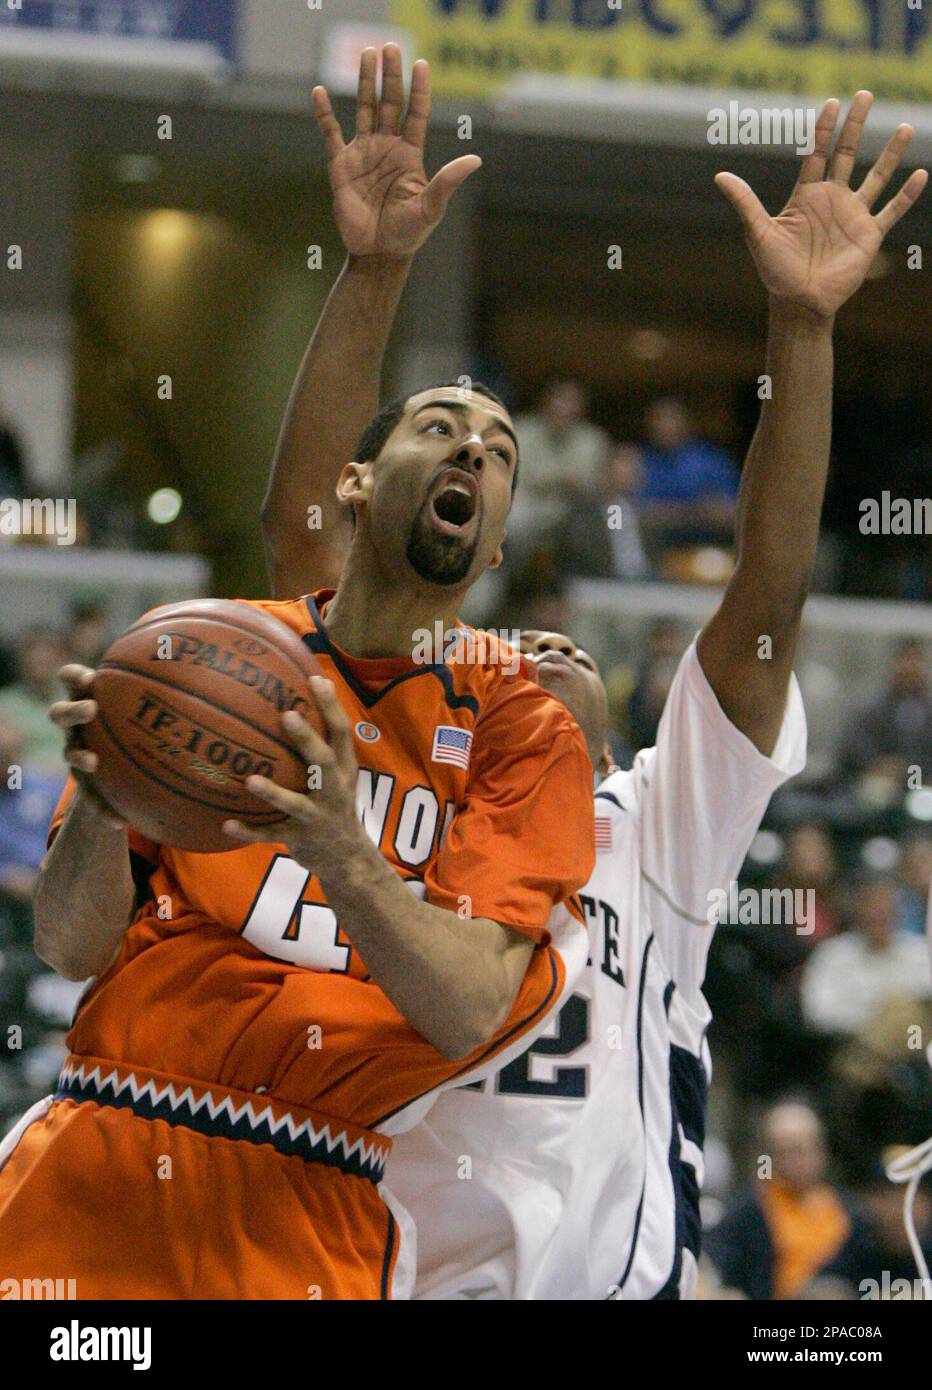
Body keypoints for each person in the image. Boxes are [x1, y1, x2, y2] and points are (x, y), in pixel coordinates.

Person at [261, 67, 926, 1297]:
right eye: (517, 663)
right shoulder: (410, 795)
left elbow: (762, 602)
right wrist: (370, 272)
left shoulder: (656, 825)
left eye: (568, 660)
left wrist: (803, 333)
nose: (542, 666)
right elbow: (313, 556)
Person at [0, 49, 595, 1300]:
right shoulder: (200, 659)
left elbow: (466, 1006)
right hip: (98, 1154)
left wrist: (344, 849)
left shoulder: (518, 721)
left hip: (310, 1198)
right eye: (440, 426)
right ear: (357, 480)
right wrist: (102, 806)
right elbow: (67, 943)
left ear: (494, 540)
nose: (474, 452)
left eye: (498, 454)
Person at [704, 1101, 853, 1300]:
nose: (799, 1160)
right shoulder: (751, 1210)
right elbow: (716, 1264)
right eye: (787, 1151)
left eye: (806, 1148)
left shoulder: (847, 1209)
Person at [801, 876, 932, 1038]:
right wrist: (877, 1017)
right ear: (859, 910)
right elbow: (817, 1013)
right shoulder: (832, 955)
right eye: (872, 908)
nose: (878, 915)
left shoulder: (920, 952)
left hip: (913, 1045)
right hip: (854, 1044)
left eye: (885, 910)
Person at [636, 395, 739, 553]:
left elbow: (731, 510)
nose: (664, 427)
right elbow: (632, 514)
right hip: (657, 548)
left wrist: (675, 513)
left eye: (670, 419)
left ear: (685, 423)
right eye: (658, 420)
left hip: (709, 546)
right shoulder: (640, 462)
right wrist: (690, 512)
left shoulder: (711, 460)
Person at [838, 637, 932, 792]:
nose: (910, 667)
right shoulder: (873, 709)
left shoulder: (928, 712)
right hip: (881, 783)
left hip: (921, 782)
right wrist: (879, 765)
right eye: (905, 660)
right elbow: (855, 747)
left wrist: (910, 769)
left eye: (916, 661)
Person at [0, 628, 70, 775]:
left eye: (46, 662)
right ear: (23, 664)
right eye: (36, 662)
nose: (41, 667)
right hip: (24, 780)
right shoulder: (6, 702)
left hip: (69, 779)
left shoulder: (72, 700)